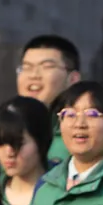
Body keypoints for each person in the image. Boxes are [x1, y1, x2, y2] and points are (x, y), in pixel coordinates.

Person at [16, 34, 82, 166]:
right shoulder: (8, 130)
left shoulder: (83, 134)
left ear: (73, 79)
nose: (34, 75)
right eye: (27, 67)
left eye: (47, 66)